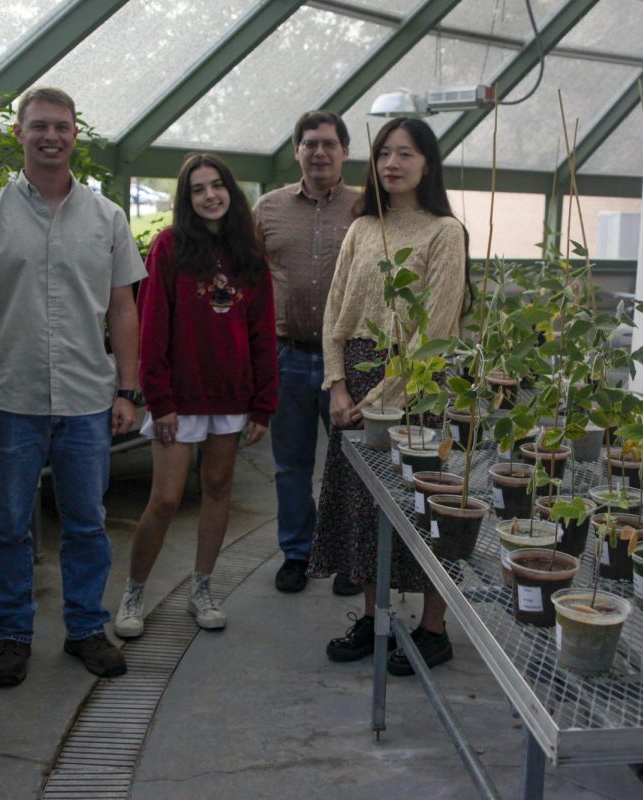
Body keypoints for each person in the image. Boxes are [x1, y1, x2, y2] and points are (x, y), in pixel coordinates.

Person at [0, 86, 145, 686]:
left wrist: (128, 389)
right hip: (10, 396)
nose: (51, 136)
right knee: (7, 524)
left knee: (87, 521)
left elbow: (122, 308)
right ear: (18, 133)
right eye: (38, 125)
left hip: (87, 398)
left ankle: (85, 628)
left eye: (62, 126)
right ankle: (13, 633)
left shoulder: (106, 217)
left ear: (75, 134)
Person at [309, 118, 469, 676]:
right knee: (362, 506)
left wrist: (376, 397)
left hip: (415, 385)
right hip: (352, 381)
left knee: (423, 506)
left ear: (428, 163)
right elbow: (336, 312)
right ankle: (375, 618)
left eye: (405, 153)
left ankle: (432, 629)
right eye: (383, 154)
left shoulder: (444, 232)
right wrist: (335, 382)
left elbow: (437, 332)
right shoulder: (361, 229)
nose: (392, 164)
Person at [113, 154, 277, 636]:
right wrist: (159, 401)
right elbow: (151, 329)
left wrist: (264, 403)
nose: (210, 196)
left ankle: (202, 588)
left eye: (217, 185)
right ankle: (133, 592)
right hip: (179, 400)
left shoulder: (248, 250)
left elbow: (263, 331)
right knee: (164, 500)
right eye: (198, 189)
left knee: (218, 489)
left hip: (231, 397)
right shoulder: (168, 247)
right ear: (186, 200)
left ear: (232, 190)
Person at [253, 110, 361, 596]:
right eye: (309, 143)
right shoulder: (268, 210)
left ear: (345, 151)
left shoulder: (367, 209)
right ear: (296, 150)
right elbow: (251, 282)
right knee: (290, 465)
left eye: (329, 144)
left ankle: (347, 557)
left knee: (351, 466)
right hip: (287, 357)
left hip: (350, 362)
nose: (319, 152)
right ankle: (297, 553)